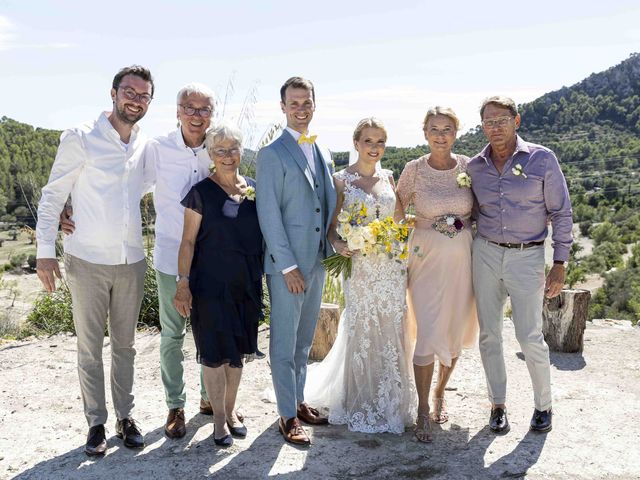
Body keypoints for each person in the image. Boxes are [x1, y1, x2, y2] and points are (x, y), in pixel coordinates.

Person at [35, 65, 154, 455]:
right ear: (113, 93)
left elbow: (154, 186)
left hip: (131, 259)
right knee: (89, 347)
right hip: (85, 259)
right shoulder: (81, 136)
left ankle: (126, 417)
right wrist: (45, 252)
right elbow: (54, 194)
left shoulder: (143, 144)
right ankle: (96, 424)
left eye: (143, 95)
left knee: (125, 346)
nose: (135, 100)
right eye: (129, 92)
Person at [468, 95, 573, 434]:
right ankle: (497, 405)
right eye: (488, 122)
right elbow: (467, 214)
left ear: (517, 120)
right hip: (484, 254)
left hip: (528, 256)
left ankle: (544, 405)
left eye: (501, 120)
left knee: (529, 336)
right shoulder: (474, 167)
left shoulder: (542, 159)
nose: (494, 127)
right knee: (489, 335)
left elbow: (561, 212)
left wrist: (559, 262)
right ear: (482, 126)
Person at [305, 118, 416, 433]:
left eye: (380, 141)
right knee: (363, 327)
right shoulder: (341, 180)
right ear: (356, 143)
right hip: (361, 266)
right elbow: (330, 225)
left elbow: (396, 220)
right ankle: (359, 400)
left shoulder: (389, 177)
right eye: (369, 141)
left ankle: (392, 401)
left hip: (391, 266)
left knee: (392, 326)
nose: (375, 147)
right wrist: (339, 242)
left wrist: (418, 227)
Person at [256, 77, 337, 446]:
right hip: (288, 266)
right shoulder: (272, 153)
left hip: (318, 260)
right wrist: (286, 266)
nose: (301, 108)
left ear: (314, 105)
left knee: (305, 341)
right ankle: (286, 415)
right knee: (284, 343)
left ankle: (299, 400)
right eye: (294, 103)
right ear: (283, 107)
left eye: (307, 102)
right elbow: (268, 213)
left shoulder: (321, 151)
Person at [174, 124, 262, 447]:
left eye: (233, 148)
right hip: (209, 286)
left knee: (237, 353)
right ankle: (219, 422)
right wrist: (183, 284)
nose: (228, 156)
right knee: (213, 353)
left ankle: (230, 409)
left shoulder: (254, 188)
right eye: (220, 150)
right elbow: (187, 243)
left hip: (246, 285)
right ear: (211, 155)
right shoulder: (200, 193)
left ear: (241, 150)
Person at [396, 106, 479, 443]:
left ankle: (440, 393)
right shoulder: (413, 169)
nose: (440, 134)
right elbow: (397, 204)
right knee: (429, 331)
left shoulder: (468, 167)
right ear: (425, 132)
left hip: (463, 257)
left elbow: (481, 205)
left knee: (454, 329)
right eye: (434, 128)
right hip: (425, 257)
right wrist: (413, 223)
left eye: (447, 129)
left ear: (455, 133)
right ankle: (420, 409)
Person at [142, 83, 217, 439]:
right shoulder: (157, 149)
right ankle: (175, 405)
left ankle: (209, 397)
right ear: (177, 111)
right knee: (173, 334)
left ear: (212, 115)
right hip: (171, 258)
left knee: (209, 332)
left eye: (204, 109)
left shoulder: (217, 149)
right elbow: (128, 186)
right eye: (190, 107)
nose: (196, 115)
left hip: (210, 258)